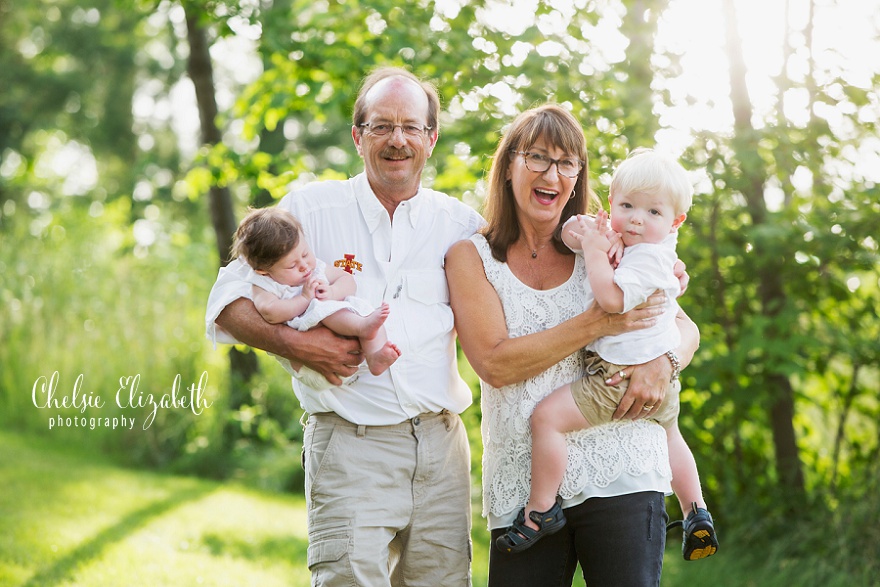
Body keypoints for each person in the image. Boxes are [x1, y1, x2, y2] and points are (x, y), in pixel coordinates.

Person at [206, 67, 484, 587]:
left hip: (442, 450)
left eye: (411, 127)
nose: (397, 140)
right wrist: (299, 345)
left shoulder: (461, 225)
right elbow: (226, 302)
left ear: (432, 138)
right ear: (358, 137)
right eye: (381, 126)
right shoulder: (309, 208)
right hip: (350, 444)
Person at [446, 104, 700, 587]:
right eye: (537, 157)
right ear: (508, 167)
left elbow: (686, 328)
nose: (552, 174)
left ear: (579, 175)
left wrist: (665, 362)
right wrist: (596, 322)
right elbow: (495, 365)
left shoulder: (610, 242)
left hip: (622, 461)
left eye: (567, 163)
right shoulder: (471, 256)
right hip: (526, 487)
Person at [495, 148, 718, 561]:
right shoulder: (640, 242)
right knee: (671, 433)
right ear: (611, 200)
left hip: (616, 378)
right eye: (627, 206)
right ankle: (695, 512)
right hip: (660, 381)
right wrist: (597, 234)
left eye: (652, 212)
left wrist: (597, 253)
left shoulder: (651, 259)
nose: (636, 219)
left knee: (547, 419)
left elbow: (611, 301)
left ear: (676, 222)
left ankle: (540, 508)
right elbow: (570, 231)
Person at [230, 206, 401, 386]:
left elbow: (347, 280)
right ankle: (362, 327)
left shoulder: (316, 268)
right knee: (324, 309)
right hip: (311, 364)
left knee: (363, 310)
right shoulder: (265, 285)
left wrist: (333, 292)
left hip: (347, 346)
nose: (304, 266)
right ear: (264, 271)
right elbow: (270, 312)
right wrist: (304, 298)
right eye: (292, 265)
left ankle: (375, 356)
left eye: (305, 254)